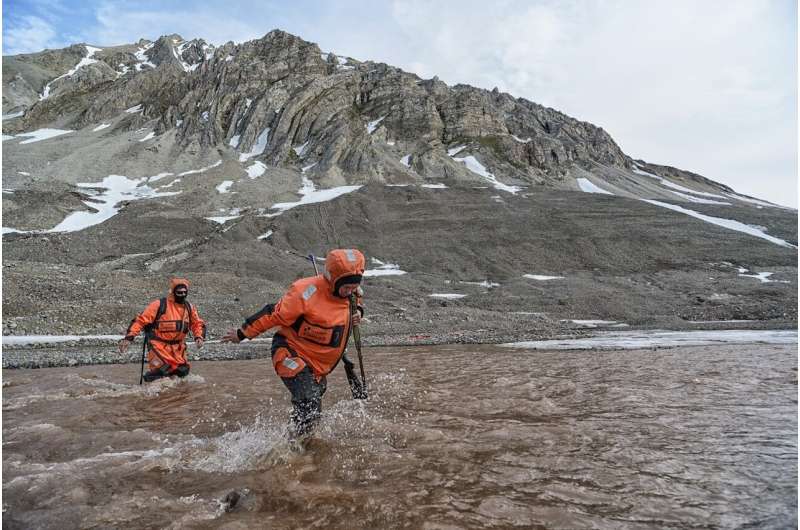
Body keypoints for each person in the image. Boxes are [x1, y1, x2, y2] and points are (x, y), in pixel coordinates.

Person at [222, 248, 366, 439]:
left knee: (313, 408)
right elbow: (272, 314)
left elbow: (357, 303)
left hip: (318, 366)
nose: (349, 292)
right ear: (333, 280)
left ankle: (294, 443)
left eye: (352, 288)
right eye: (345, 287)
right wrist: (242, 333)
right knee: (309, 401)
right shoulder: (304, 292)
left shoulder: (352, 294)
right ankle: (295, 450)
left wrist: (359, 313)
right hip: (289, 352)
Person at [119, 278, 206, 382]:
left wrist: (199, 337)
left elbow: (197, 324)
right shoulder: (159, 305)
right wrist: (129, 338)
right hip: (159, 347)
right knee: (159, 376)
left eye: (184, 292)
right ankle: (153, 394)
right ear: (173, 292)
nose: (182, 295)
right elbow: (140, 321)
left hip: (178, 349)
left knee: (181, 374)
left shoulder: (189, 308)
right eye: (179, 292)